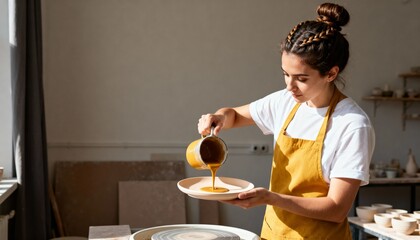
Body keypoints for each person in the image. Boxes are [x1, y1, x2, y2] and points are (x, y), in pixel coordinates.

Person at [196, 2, 375, 239]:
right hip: (274, 234)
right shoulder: (286, 102)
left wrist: (271, 198)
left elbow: (336, 209)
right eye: (285, 74)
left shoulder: (352, 125)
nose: (289, 86)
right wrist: (218, 116)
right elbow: (235, 115)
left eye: (301, 78)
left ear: (331, 73)